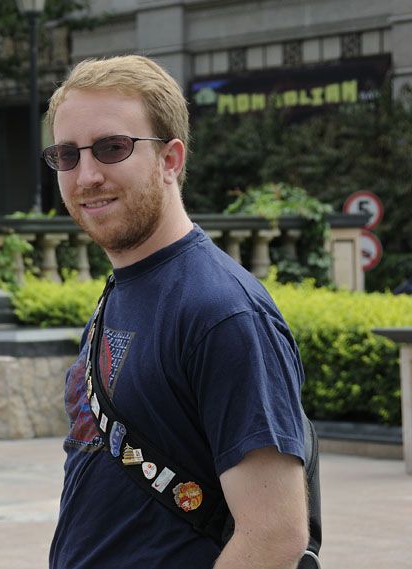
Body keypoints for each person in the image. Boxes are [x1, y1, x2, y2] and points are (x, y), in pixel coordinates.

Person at [43, 56, 310, 569]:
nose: (87, 175)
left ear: (170, 160)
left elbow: (275, 535)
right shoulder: (122, 289)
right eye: (67, 155)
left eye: (112, 148)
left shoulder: (223, 312)